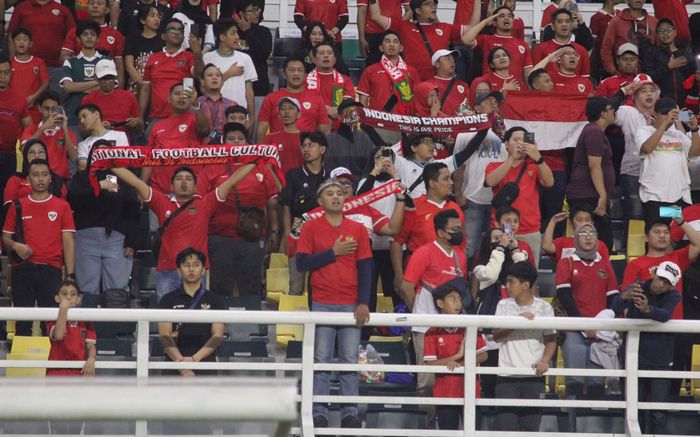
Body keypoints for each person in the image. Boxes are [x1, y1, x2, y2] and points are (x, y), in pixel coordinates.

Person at [111, 163, 256, 298]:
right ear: (171, 186)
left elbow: (231, 181)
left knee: (195, 321)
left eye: (188, 179)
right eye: (179, 179)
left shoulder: (205, 204)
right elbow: (136, 182)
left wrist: (255, 162)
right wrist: (110, 165)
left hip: (196, 273)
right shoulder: (162, 202)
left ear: (195, 187)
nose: (184, 182)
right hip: (168, 270)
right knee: (166, 318)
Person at [295, 178, 372, 429]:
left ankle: (350, 412)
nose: (336, 196)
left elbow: (365, 268)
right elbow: (302, 263)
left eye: (339, 192)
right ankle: (319, 411)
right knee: (321, 359)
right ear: (320, 201)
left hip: (351, 303)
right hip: (322, 302)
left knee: (350, 359)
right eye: (330, 193)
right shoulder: (310, 228)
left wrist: (363, 302)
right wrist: (333, 252)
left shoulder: (358, 229)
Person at [196, 123, 280, 297]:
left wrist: (274, 231)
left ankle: (249, 324)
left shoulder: (261, 167)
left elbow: (272, 202)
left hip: (252, 236)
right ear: (223, 142)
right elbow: (200, 205)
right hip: (219, 237)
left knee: (250, 285)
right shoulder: (211, 167)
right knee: (221, 285)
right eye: (231, 139)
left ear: (247, 143)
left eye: (240, 139)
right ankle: (220, 324)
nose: (236, 143)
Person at [2, 159, 76, 336]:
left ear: (50, 178)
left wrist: (71, 275)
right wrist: (15, 245)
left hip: (51, 270)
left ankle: (47, 363)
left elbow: (68, 242)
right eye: (35, 175)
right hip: (22, 270)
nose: (40, 179)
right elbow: (5, 237)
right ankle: (20, 363)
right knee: (22, 323)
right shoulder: (17, 205)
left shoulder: (62, 206)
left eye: (44, 174)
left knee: (49, 323)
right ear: (28, 179)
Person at [611, 260, 681, 435]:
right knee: (634, 408)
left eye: (667, 282)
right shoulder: (635, 288)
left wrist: (647, 309)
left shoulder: (674, 296)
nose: (661, 284)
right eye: (661, 278)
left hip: (661, 360)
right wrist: (624, 297)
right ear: (653, 274)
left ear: (672, 286)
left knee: (658, 411)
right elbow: (613, 307)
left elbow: (665, 314)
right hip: (634, 356)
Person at [67, 139, 140, 296]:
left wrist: (131, 241)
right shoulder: (82, 177)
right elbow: (72, 199)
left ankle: (113, 322)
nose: (102, 156)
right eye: (98, 152)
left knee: (117, 290)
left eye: (106, 152)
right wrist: (99, 186)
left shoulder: (124, 177)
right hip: (86, 237)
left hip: (117, 239)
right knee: (86, 289)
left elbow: (133, 210)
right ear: (92, 154)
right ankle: (86, 322)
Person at [555, 223, 619, 398]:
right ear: (576, 237)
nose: (588, 236)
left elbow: (613, 298)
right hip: (574, 330)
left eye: (592, 232)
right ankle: (571, 424)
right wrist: (584, 325)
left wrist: (599, 326)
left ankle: (592, 424)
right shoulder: (566, 262)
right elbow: (565, 297)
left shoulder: (605, 264)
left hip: (600, 333)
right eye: (583, 233)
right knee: (574, 381)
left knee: (596, 383)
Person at [493, 261, 556, 431]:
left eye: (511, 282)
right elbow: (496, 336)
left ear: (525, 285)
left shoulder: (544, 307)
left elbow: (551, 339)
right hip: (506, 375)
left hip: (534, 376)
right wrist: (517, 322)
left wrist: (545, 360)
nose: (507, 286)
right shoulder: (503, 305)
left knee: (530, 428)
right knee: (505, 428)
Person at [424, 278, 488, 430]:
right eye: (453, 299)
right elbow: (430, 364)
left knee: (473, 432)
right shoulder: (432, 331)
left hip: (471, 392)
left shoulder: (469, 327)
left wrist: (460, 364)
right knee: (448, 432)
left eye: (459, 299)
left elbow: (483, 355)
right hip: (444, 395)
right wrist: (457, 356)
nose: (458, 304)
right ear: (440, 303)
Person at [392, 164, 465, 295]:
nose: (451, 182)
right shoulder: (414, 207)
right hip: (423, 282)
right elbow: (397, 242)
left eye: (451, 178)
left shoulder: (456, 208)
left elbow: (462, 245)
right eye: (446, 179)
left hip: (452, 280)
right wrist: (399, 275)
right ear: (432, 183)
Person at [485, 127, 554, 265]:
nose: (520, 143)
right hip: (502, 229)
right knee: (499, 270)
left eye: (524, 140)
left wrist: (538, 157)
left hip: (529, 229)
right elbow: (490, 181)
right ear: (505, 144)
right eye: (516, 140)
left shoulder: (534, 166)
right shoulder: (495, 165)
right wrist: (512, 159)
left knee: (529, 274)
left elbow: (549, 182)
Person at [453, 88, 507, 259]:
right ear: (476, 108)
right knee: (470, 247)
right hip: (472, 199)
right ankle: (464, 283)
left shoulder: (499, 139)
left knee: (490, 249)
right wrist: (459, 194)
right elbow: (458, 166)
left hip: (494, 202)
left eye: (495, 101)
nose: (493, 103)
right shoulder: (464, 135)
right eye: (488, 101)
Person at [369, 0, 479, 81]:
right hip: (411, 83)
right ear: (418, 10)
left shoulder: (445, 27)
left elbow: (472, 26)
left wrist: (478, 1)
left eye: (435, 4)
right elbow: (376, 16)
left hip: (439, 84)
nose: (433, 7)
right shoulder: (404, 27)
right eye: (428, 4)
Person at [158, 247, 226, 375]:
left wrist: (194, 360)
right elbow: (165, 336)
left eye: (196, 265)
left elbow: (217, 336)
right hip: (174, 364)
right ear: (178, 271)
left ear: (203, 270)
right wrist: (182, 364)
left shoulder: (215, 300)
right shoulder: (167, 300)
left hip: (205, 364)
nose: (191, 269)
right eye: (186, 265)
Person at [634, 97, 700, 225]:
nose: (668, 117)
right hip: (654, 198)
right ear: (654, 113)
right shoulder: (644, 131)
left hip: (680, 197)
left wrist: (694, 129)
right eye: (664, 113)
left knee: (679, 237)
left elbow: (695, 153)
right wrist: (665, 124)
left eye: (671, 114)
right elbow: (646, 149)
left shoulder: (678, 135)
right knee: (658, 235)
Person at [565, 96, 618, 250]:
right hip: (589, 195)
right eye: (611, 109)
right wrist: (603, 195)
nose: (614, 112)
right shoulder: (594, 132)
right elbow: (594, 165)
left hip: (590, 194)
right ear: (603, 113)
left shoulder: (593, 131)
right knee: (601, 243)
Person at [280, 132, 329, 295]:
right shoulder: (293, 175)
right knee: (296, 286)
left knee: (321, 284)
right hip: (298, 234)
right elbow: (286, 206)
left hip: (324, 236)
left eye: (311, 145)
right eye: (304, 146)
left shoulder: (330, 177)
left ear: (322, 149)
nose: (306, 149)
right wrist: (288, 234)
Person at [142, 84, 209, 196]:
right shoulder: (157, 126)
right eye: (177, 94)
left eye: (185, 94)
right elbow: (149, 159)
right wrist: (143, 186)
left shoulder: (196, 118)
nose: (181, 97)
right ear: (169, 99)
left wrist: (196, 105)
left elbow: (205, 130)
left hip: (192, 191)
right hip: (160, 192)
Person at [140, 18, 202, 128]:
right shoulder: (153, 58)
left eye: (180, 30)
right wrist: (140, 116)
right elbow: (145, 89)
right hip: (157, 117)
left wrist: (197, 53)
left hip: (184, 116)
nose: (177, 32)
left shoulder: (189, 57)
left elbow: (199, 75)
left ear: (183, 37)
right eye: (172, 29)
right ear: (163, 36)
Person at [256, 57, 330, 142]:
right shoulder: (271, 98)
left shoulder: (317, 99)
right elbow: (261, 129)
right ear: (284, 74)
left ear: (305, 75)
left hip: (307, 151)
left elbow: (324, 130)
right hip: (278, 150)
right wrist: (260, 152)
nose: (296, 73)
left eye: (300, 70)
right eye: (291, 70)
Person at [61, 0, 126, 89]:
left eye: (99, 3)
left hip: (105, 88)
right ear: (87, 8)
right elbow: (63, 58)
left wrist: (119, 91)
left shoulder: (116, 35)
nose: (95, 6)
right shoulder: (74, 32)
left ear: (107, 9)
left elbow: (119, 66)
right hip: (78, 85)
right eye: (91, 3)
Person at [461, 7, 533, 82]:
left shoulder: (523, 45)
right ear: (494, 22)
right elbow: (466, 39)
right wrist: (486, 21)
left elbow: (528, 73)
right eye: (502, 16)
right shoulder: (486, 40)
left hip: (515, 90)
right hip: (492, 90)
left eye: (510, 16)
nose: (506, 18)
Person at [202, 18, 257, 116]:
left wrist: (251, 117)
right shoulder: (207, 58)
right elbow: (204, 88)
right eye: (233, 33)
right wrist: (229, 74)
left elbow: (249, 91)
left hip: (239, 115)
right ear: (222, 37)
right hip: (213, 113)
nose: (237, 37)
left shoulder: (245, 58)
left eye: (237, 33)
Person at [60, 20, 107, 132]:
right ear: (78, 39)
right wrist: (96, 82)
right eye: (85, 34)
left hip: (100, 118)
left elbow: (107, 87)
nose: (89, 37)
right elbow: (68, 87)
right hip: (74, 117)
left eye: (92, 34)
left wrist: (78, 87)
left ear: (98, 39)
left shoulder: (106, 61)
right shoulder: (70, 62)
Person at [356, 30, 418, 115]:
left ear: (401, 48)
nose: (391, 44)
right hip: (376, 119)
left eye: (395, 42)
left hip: (404, 121)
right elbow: (363, 100)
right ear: (381, 47)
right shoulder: (370, 70)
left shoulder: (412, 71)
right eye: (387, 41)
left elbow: (417, 99)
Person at [81, 59, 143, 141]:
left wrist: (136, 122)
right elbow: (82, 131)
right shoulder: (88, 100)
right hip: (97, 139)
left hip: (123, 140)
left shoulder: (128, 96)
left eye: (110, 78)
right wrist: (98, 126)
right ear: (97, 78)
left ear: (115, 77)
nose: (107, 82)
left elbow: (141, 126)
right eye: (103, 78)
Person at [20, 91, 77, 180]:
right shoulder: (31, 129)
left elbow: (73, 156)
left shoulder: (67, 132)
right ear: (40, 108)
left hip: (60, 179)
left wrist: (65, 128)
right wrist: (43, 128)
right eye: (46, 108)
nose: (50, 113)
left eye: (53, 109)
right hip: (36, 178)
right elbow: (24, 150)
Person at [7, 0, 76, 73]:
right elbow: (11, 35)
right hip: (27, 66)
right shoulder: (21, 8)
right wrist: (12, 62)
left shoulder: (63, 9)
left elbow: (73, 35)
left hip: (57, 67)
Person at [640, 18, 697, 106]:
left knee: (686, 119)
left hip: (685, 104)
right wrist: (668, 67)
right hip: (661, 107)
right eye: (661, 31)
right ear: (657, 35)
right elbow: (647, 78)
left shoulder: (686, 54)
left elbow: (694, 80)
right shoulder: (652, 54)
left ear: (675, 33)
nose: (665, 33)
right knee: (666, 119)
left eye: (668, 30)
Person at [47, 280, 97, 376]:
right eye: (64, 294)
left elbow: (90, 346)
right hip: (56, 372)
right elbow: (58, 336)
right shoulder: (52, 318)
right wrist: (63, 309)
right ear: (57, 298)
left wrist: (91, 359)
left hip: (79, 371)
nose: (69, 297)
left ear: (78, 299)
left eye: (73, 294)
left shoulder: (85, 320)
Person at [0, 55, 32, 202]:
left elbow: (29, 128)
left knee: (6, 197)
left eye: (6, 72)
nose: (2, 76)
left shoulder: (19, 98)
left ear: (11, 73)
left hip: (11, 155)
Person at [601, 0, 658, 77]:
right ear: (627, 1)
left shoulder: (654, 21)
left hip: (649, 78)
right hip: (622, 77)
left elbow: (660, 49)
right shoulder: (616, 21)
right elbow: (606, 49)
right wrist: (613, 71)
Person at [4, 140, 67, 207]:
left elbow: (63, 209)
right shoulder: (15, 179)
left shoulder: (57, 180)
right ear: (25, 156)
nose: (37, 155)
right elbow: (9, 209)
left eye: (41, 152)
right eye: (32, 152)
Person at [542, 205, 611, 265]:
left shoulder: (600, 245)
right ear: (572, 223)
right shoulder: (563, 242)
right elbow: (546, 247)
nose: (583, 223)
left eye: (587, 220)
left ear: (592, 223)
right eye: (579, 220)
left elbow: (606, 270)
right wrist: (553, 221)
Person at [323, 100, 377, 176]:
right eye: (348, 111)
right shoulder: (330, 140)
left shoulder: (365, 138)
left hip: (361, 184)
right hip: (337, 184)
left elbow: (373, 163)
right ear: (339, 116)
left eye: (356, 112)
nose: (353, 115)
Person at [306, 42, 355, 126]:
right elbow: (303, 102)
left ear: (335, 59)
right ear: (314, 59)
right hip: (312, 125)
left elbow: (349, 104)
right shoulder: (305, 79)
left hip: (339, 126)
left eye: (329, 53)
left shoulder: (345, 80)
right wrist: (327, 110)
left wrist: (337, 110)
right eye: (321, 53)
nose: (326, 55)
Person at [534, 8, 592, 78]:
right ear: (553, 27)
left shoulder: (581, 51)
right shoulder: (540, 49)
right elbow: (535, 77)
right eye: (560, 21)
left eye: (567, 21)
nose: (564, 24)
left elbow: (585, 79)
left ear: (571, 26)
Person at [233, 0, 273, 99]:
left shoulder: (264, 31)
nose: (257, 13)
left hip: (259, 81)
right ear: (241, 13)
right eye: (252, 10)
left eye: (258, 10)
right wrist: (248, 45)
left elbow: (263, 53)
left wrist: (248, 31)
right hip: (237, 80)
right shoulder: (233, 31)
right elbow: (232, 47)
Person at [9, 27, 49, 124]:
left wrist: (35, 96)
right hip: (13, 108)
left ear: (31, 44)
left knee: (32, 134)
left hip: (33, 108)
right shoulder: (9, 64)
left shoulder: (39, 62)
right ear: (13, 43)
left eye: (25, 39)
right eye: (18, 39)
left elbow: (46, 83)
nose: (21, 42)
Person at [124, 4, 165, 94]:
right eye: (152, 15)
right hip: (136, 86)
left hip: (157, 86)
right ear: (142, 20)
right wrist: (141, 84)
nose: (156, 19)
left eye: (158, 16)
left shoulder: (164, 40)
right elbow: (129, 66)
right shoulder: (132, 39)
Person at [76, 104, 130, 171]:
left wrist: (97, 161)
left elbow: (124, 162)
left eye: (84, 116)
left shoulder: (119, 135)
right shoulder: (82, 145)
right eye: (80, 119)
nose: (82, 121)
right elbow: (83, 167)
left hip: (118, 179)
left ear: (96, 114)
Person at [357, 0, 409, 66]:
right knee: (373, 66)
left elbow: (409, 9)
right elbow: (362, 11)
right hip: (373, 33)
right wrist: (361, 37)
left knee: (397, 66)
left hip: (394, 33)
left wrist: (397, 25)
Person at [424, 49, 473, 116]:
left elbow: (468, 109)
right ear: (437, 64)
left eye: (452, 59)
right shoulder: (427, 86)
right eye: (447, 59)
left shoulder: (463, 85)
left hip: (459, 125)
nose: (452, 61)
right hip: (439, 125)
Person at [197, 63, 236, 142]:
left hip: (225, 149)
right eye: (210, 75)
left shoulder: (232, 104)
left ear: (222, 82)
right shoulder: (195, 104)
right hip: (200, 149)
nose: (214, 77)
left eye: (218, 76)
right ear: (202, 82)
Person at [264, 97, 303, 175]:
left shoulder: (306, 138)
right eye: (282, 109)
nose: (286, 112)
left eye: (291, 108)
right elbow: (266, 166)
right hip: (276, 183)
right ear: (279, 116)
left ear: (298, 114)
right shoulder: (270, 138)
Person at [590, 0, 625, 81]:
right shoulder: (596, 18)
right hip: (604, 65)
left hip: (622, 61)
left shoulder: (621, 14)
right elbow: (593, 44)